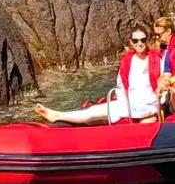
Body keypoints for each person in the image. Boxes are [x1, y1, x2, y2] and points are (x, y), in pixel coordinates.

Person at [35, 27, 163, 124]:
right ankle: (57, 115)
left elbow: (163, 81)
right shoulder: (127, 61)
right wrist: (124, 102)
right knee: (93, 112)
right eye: (135, 40)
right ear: (131, 42)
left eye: (142, 40)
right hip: (129, 103)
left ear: (146, 40)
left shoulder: (156, 59)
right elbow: (121, 85)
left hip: (148, 104)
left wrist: (160, 97)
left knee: (146, 124)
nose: (139, 43)